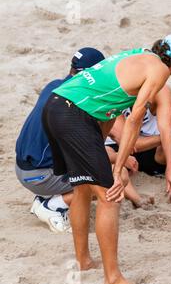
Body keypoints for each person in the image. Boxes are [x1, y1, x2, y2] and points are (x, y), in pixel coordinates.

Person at [41, 33, 171, 284]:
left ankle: (84, 261)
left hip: (56, 106)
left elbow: (108, 110)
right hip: (75, 116)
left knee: (81, 189)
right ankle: (113, 279)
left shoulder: (136, 55)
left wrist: (101, 154)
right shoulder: (159, 71)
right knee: (111, 196)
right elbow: (134, 119)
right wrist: (118, 169)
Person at [15, 47, 105, 233]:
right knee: (102, 180)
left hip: (22, 166)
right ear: (91, 75)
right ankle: (52, 206)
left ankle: (45, 198)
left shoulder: (54, 84)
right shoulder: (77, 102)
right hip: (37, 175)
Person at [107, 84, 171, 204]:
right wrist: (165, 138)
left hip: (150, 148)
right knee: (108, 157)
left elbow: (166, 129)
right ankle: (138, 200)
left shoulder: (159, 91)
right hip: (120, 148)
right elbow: (130, 143)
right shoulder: (115, 93)